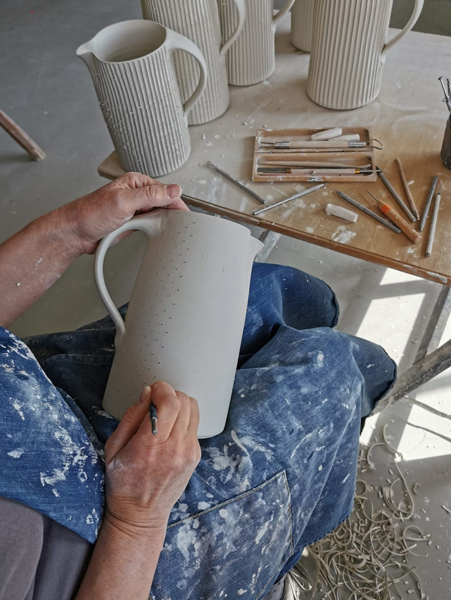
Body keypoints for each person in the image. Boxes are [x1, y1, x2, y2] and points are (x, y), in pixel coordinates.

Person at [0, 173, 396, 600]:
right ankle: (273, 572)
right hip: (112, 548)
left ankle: (293, 515)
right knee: (328, 369)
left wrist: (70, 231)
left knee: (269, 287)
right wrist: (137, 521)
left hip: (31, 400)